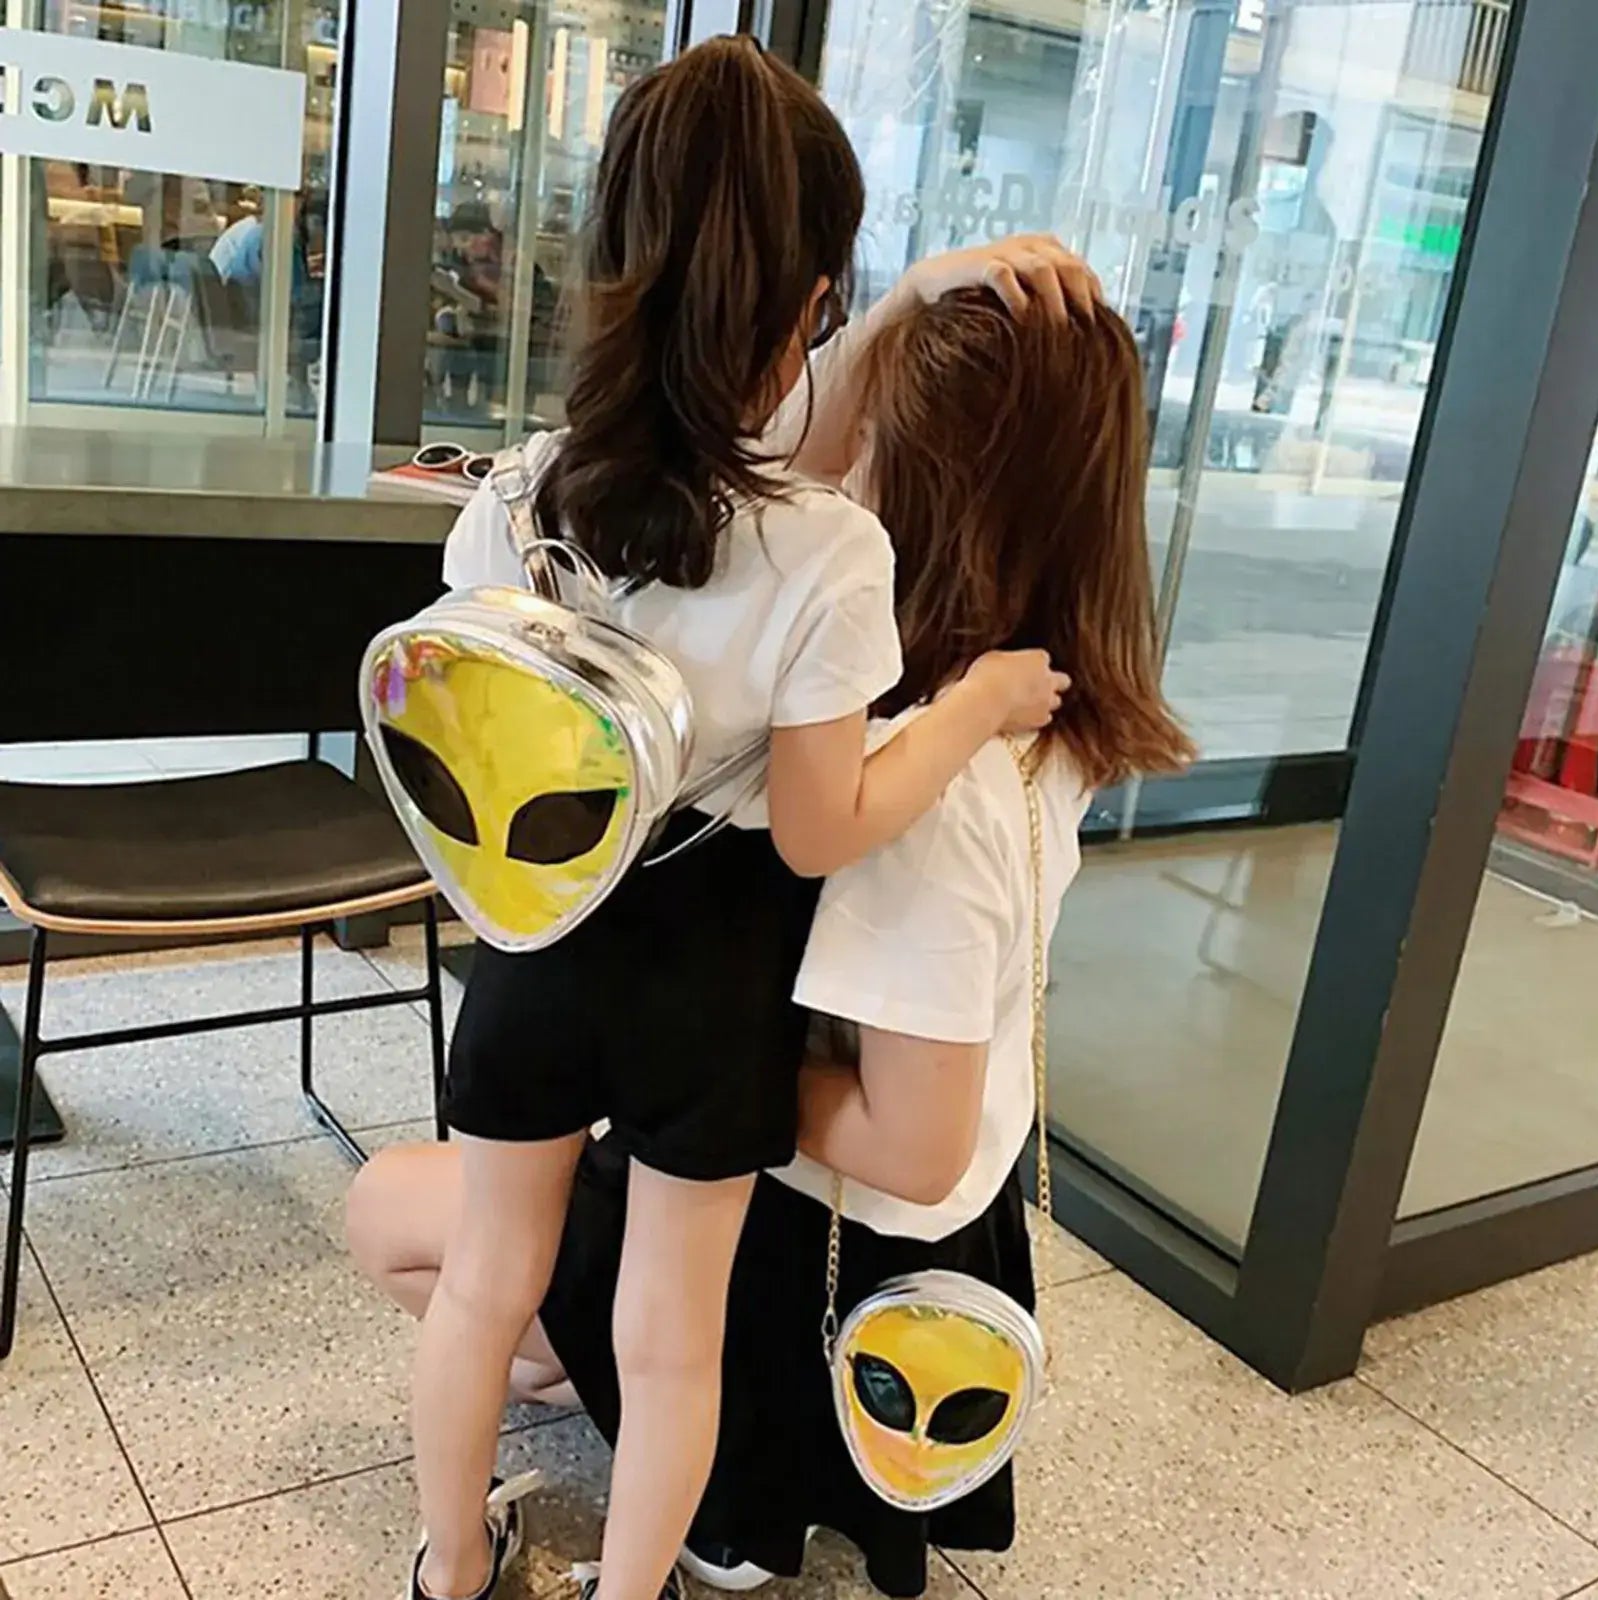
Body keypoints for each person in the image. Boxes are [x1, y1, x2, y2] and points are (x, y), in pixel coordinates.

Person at [350, 283, 1193, 1596]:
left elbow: (905, 1132)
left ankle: (654, 1520)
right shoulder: (1037, 712)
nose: (818, 454)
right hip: (890, 1205)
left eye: (860, 435)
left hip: (806, 1225)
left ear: (916, 492)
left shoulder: (921, 780)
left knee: (396, 1218)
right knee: (604, 1299)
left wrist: (690, 1083)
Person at [396, 38, 1070, 1600]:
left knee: (487, 1285)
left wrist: (884, 302)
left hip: (537, 945)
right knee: (669, 1336)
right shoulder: (830, 551)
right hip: (709, 993)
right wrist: (969, 710)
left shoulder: (513, 499)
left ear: (606, 264)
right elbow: (827, 830)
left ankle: (448, 1571)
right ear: (807, 309)